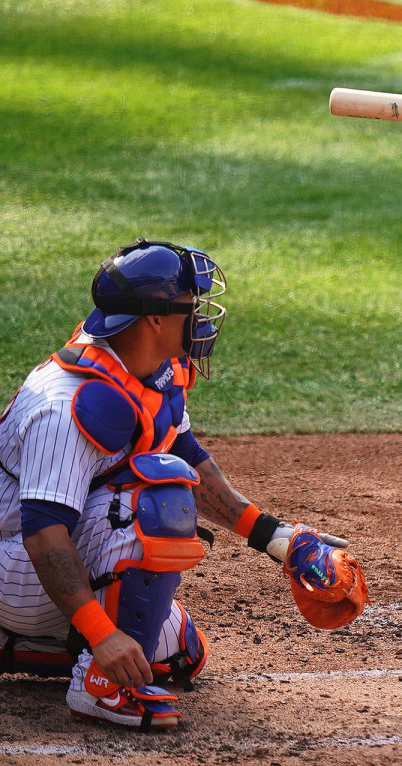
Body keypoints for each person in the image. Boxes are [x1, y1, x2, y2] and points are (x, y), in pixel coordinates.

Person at [0, 239, 367, 729]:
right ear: (154, 319)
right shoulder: (67, 404)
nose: (203, 318)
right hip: (15, 563)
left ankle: (25, 646)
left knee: (181, 656)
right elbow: (44, 534)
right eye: (191, 306)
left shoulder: (149, 370)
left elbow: (188, 457)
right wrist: (101, 633)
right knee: (158, 504)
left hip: (43, 566)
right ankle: (102, 685)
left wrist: (279, 539)